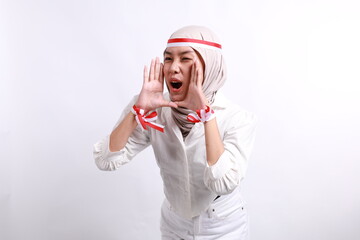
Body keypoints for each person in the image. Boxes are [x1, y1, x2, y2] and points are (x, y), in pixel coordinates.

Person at [93, 25, 257, 239]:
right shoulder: (152, 108)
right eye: (168, 59)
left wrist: (206, 115)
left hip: (223, 225)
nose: (172, 68)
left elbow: (223, 183)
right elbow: (105, 159)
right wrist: (137, 112)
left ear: (209, 65)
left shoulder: (237, 118)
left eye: (185, 59)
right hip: (174, 223)